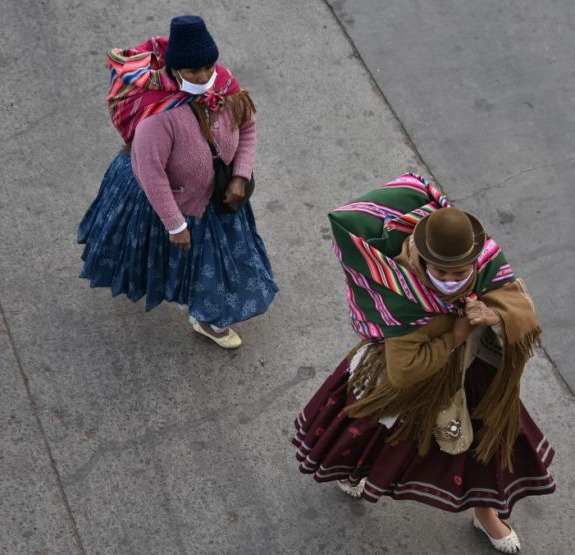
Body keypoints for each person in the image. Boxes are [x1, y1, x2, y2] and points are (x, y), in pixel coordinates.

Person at [291, 175, 553, 554]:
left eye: (460, 274)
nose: (451, 281)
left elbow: (519, 308)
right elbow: (404, 371)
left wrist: (494, 314)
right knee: (378, 430)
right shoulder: (402, 296)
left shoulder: (487, 261)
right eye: (441, 273)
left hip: (474, 372)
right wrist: (456, 335)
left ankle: (485, 514)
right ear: (424, 260)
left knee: (486, 443)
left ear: (473, 260)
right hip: (415, 381)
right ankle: (352, 470)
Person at [78, 15, 277, 349]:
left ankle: (208, 315)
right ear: (174, 71)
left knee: (220, 265)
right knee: (177, 261)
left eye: (208, 68)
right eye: (193, 72)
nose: (204, 78)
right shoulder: (157, 117)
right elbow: (151, 174)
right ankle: (207, 317)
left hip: (219, 200)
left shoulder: (225, 85)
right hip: (172, 206)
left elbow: (248, 127)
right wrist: (174, 224)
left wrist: (240, 175)